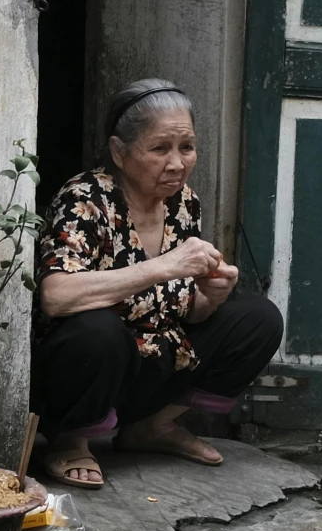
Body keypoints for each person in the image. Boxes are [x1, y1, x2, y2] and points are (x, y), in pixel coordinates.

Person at [31, 79, 283, 489]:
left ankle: (150, 427)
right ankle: (70, 441)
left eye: (186, 147)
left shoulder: (184, 203)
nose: (177, 163)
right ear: (119, 151)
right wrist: (163, 266)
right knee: (98, 331)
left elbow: (185, 306)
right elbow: (55, 297)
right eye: (159, 148)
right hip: (88, 366)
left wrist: (210, 297)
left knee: (259, 318)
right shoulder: (86, 198)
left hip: (156, 359)